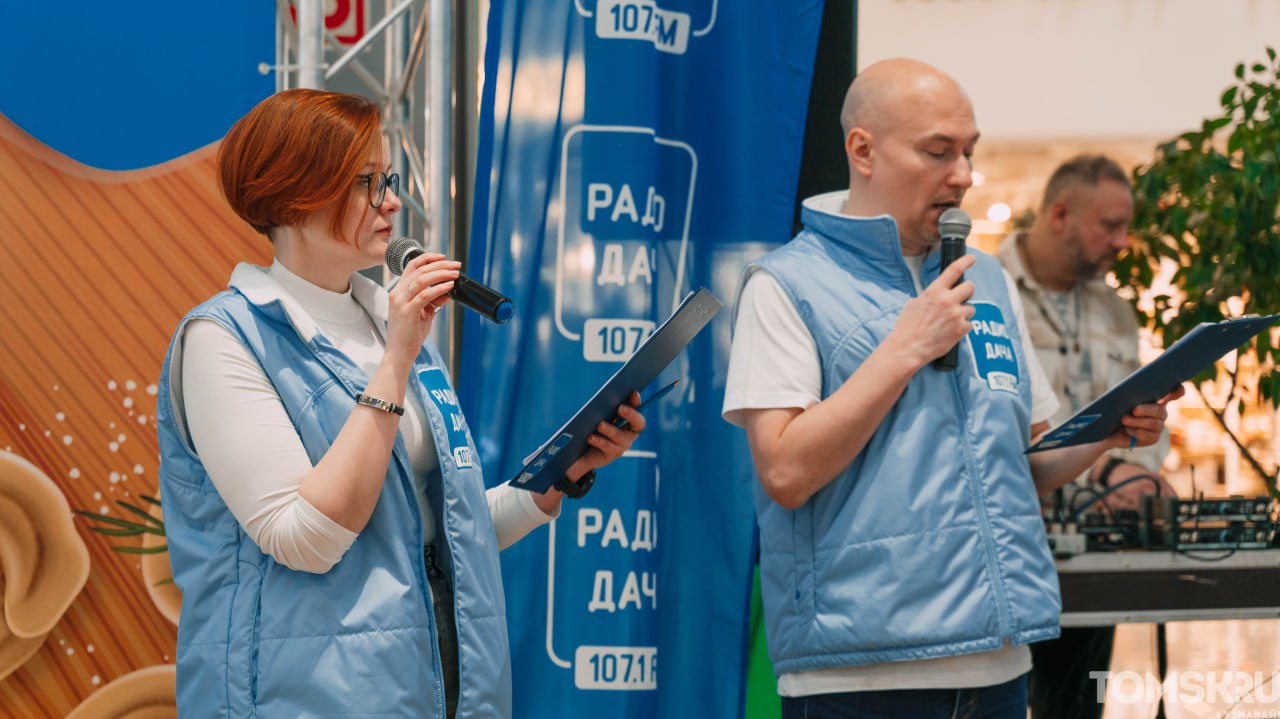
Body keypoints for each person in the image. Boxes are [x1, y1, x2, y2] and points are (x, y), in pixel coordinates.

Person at [155, 88, 646, 718]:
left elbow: (437, 537)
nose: (391, 201)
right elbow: (307, 540)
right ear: (295, 194)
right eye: (365, 182)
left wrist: (558, 477)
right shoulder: (225, 339)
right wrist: (395, 363)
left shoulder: (392, 330)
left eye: (388, 178)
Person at [722, 59, 1181, 719]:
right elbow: (787, 470)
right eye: (938, 152)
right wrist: (904, 348)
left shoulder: (985, 280)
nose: (963, 175)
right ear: (863, 150)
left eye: (969, 152)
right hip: (859, 676)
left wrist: (1112, 428)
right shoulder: (787, 285)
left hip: (998, 661)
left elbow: (1026, 459)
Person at [996, 154, 1174, 719]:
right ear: (1060, 214)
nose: (1123, 242)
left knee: (1080, 707)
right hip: (1013, 550)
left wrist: (1144, 465)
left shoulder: (1118, 313)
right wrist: (1105, 467)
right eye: (1110, 226)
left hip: (1102, 556)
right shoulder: (984, 293)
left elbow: (1141, 430)